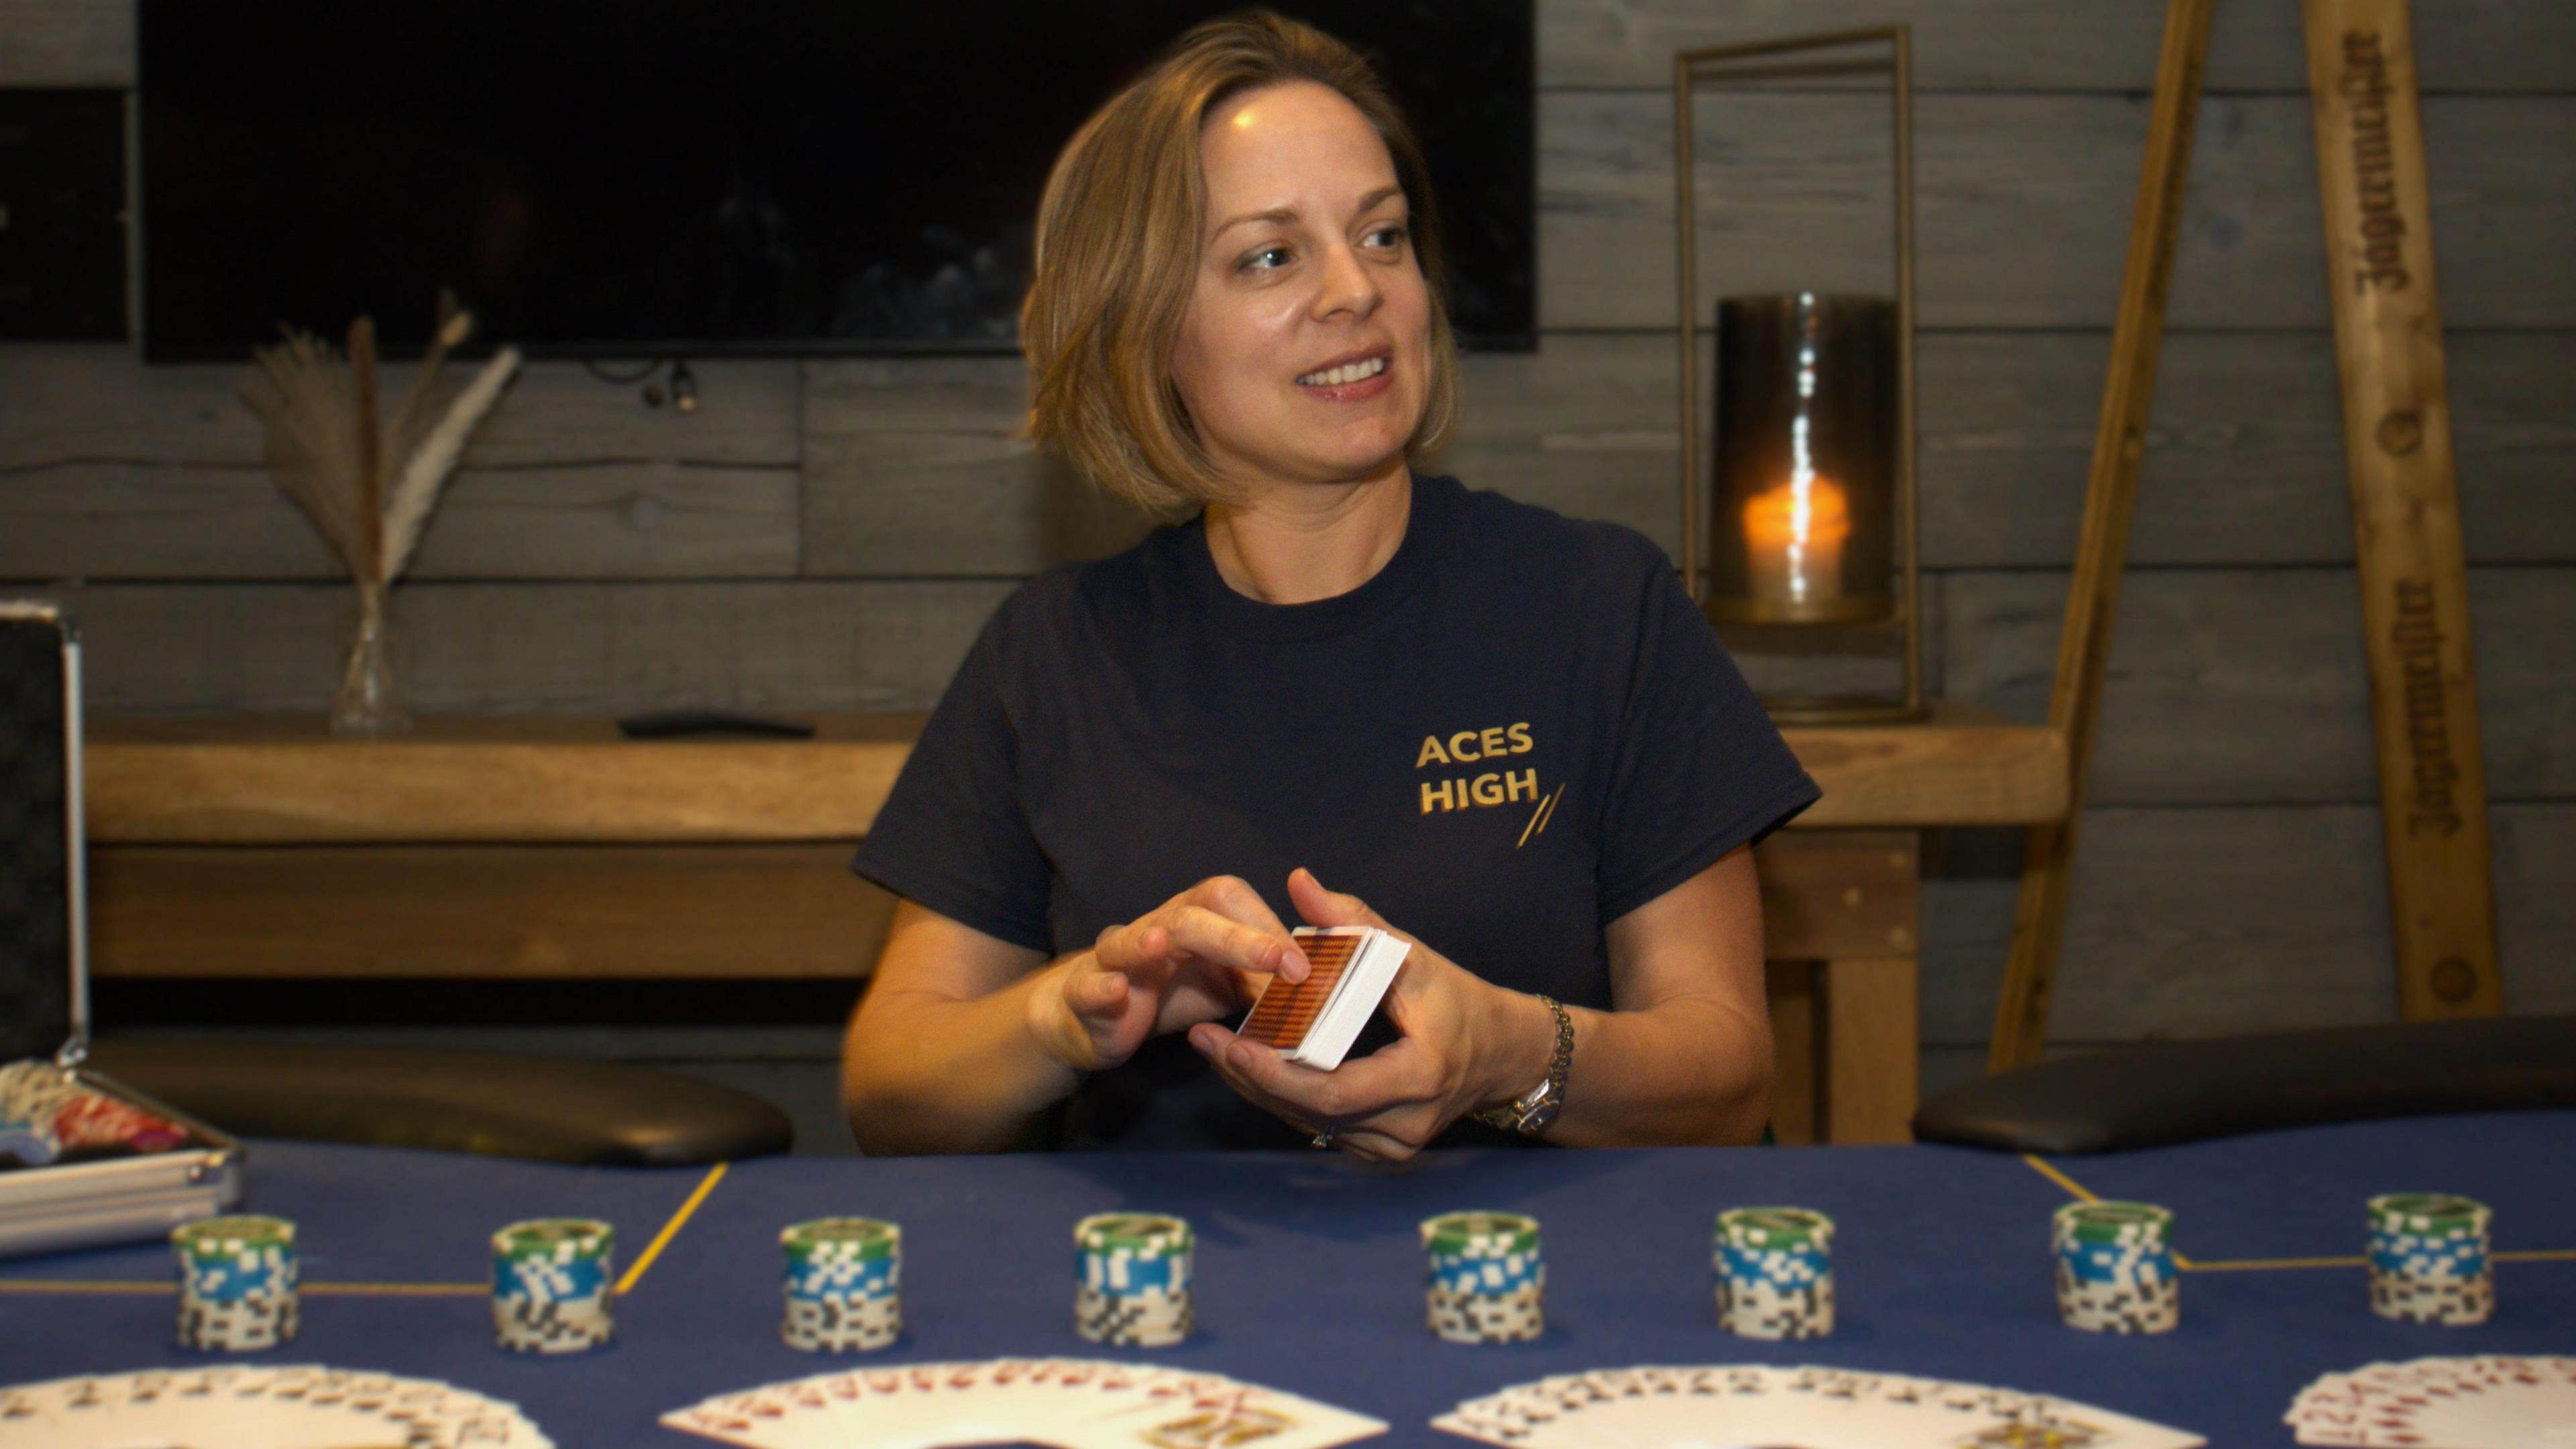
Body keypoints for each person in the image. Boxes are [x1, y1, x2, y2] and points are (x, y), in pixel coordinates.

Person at [841, 11, 1819, 1159]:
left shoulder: (1603, 607)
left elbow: (1727, 1079)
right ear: (1146, 331)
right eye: (1272, 254)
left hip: (1539, 1307)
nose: (1356, 289)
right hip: (1172, 1313)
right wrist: (1069, 1014)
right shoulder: (1052, 653)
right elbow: (889, 1091)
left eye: (1384, 235)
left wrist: (1509, 1055)